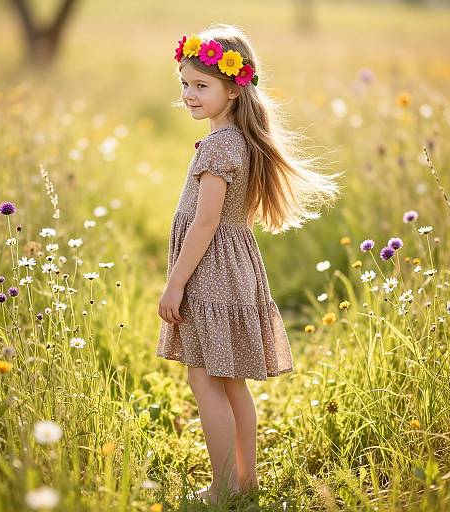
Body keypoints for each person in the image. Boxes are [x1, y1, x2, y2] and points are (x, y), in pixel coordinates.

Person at [156, 23, 343, 506]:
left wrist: (175, 284)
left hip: (209, 271)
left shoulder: (220, 146)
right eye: (184, 83)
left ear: (234, 91)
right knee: (229, 379)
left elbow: (205, 224)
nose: (189, 94)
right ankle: (245, 480)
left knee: (205, 379)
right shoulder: (237, 138)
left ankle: (221, 489)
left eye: (201, 85)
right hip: (233, 268)